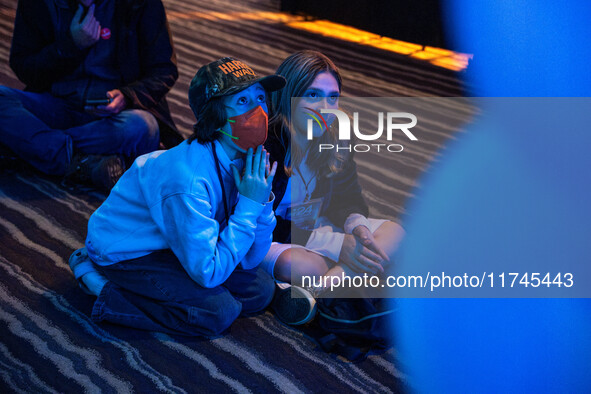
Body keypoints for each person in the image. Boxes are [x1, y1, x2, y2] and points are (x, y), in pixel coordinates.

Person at [67, 57, 286, 336]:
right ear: (215, 116)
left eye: (260, 98)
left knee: (261, 290)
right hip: (128, 250)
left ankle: (173, 289)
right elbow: (208, 272)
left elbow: (250, 259)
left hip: (176, 242)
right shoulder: (187, 179)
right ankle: (99, 283)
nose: (260, 111)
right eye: (242, 102)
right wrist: (249, 206)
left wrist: (262, 202)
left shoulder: (248, 161)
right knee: (218, 312)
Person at [264, 50, 405, 325]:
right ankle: (351, 276)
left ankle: (316, 292)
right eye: (313, 95)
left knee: (394, 233)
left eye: (333, 97)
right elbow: (261, 221)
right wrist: (338, 244)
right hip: (269, 233)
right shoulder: (267, 143)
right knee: (305, 266)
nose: (325, 108)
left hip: (312, 227)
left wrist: (358, 231)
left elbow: (348, 197)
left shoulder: (336, 135)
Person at [0, 0, 182, 190]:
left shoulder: (140, 4)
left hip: (113, 118)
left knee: (143, 126)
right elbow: (24, 66)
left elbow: (164, 70)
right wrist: (69, 46)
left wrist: (127, 96)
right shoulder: (40, 4)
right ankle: (81, 162)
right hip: (55, 106)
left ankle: (34, 148)